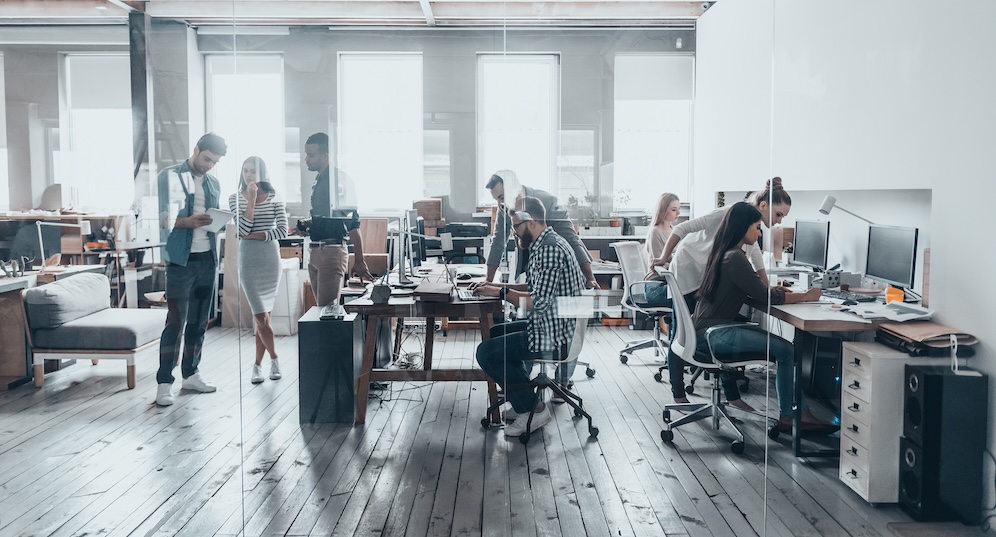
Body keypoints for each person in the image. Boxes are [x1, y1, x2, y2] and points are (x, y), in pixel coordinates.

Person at [695, 202, 833, 434]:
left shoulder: (725, 252)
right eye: (757, 227)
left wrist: (781, 292)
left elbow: (760, 291)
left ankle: (796, 412)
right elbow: (767, 297)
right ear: (743, 228)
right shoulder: (735, 257)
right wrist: (807, 296)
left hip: (706, 331)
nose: (760, 233)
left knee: (784, 350)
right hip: (716, 334)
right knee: (786, 351)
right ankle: (791, 416)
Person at [651, 177, 791, 406]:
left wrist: (764, 287)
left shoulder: (749, 225)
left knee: (721, 323)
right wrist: (664, 257)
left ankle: (732, 397)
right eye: (778, 214)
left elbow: (755, 256)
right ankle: (678, 394)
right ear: (764, 205)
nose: (778, 221)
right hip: (689, 270)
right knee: (682, 333)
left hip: (708, 273)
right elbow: (684, 228)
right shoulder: (729, 214)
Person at [473, 196, 586, 437]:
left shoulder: (549, 250)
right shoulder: (546, 243)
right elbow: (536, 288)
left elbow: (539, 303)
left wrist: (503, 293)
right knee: (495, 333)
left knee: (486, 352)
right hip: (557, 325)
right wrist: (496, 288)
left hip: (556, 336)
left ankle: (532, 408)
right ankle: (525, 398)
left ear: (532, 222)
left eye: (516, 226)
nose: (513, 232)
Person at [155, 132, 227, 407]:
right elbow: (162, 218)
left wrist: (216, 222)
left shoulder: (213, 183)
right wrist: (188, 222)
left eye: (214, 162)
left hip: (207, 260)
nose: (209, 165)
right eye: (207, 158)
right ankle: (164, 383)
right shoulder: (169, 176)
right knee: (175, 323)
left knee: (199, 323)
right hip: (179, 262)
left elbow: (214, 221)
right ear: (196, 149)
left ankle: (191, 374)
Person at [295, 132, 373, 308]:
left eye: (311, 155)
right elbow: (328, 219)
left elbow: (353, 223)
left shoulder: (340, 182)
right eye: (306, 154)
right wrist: (308, 224)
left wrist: (359, 260)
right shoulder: (319, 180)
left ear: (326, 156)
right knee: (322, 311)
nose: (306, 159)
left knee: (328, 312)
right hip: (316, 251)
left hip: (331, 252)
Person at [484, 170, 598, 290]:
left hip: (556, 265)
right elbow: (498, 243)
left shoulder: (549, 202)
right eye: (496, 199)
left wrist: (590, 279)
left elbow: (572, 240)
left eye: (502, 197)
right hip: (531, 264)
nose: (500, 204)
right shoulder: (504, 208)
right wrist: (488, 282)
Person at [229, 156, 288, 384]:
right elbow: (241, 227)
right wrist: (251, 199)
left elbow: (282, 231)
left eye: (253, 171)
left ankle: (256, 366)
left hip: (270, 261)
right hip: (249, 262)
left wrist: (253, 236)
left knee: (263, 319)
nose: (248, 175)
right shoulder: (235, 198)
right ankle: (275, 358)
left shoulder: (275, 197)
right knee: (261, 317)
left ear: (262, 173)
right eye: (245, 171)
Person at [641, 192, 680, 306]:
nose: (678, 213)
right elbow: (658, 266)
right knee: (685, 297)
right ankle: (680, 324)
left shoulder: (675, 231)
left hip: (670, 282)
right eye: (674, 210)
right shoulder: (655, 232)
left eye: (678, 209)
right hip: (655, 285)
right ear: (663, 210)